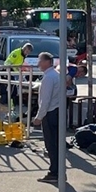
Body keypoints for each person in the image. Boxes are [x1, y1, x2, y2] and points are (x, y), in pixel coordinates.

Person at [33, 52, 62, 184]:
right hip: (56, 112)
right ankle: (58, 171)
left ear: (47, 62)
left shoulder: (49, 78)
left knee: (51, 144)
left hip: (50, 113)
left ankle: (54, 172)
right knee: (55, 143)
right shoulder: (55, 75)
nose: (38, 63)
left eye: (40, 61)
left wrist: (39, 117)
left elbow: (45, 100)